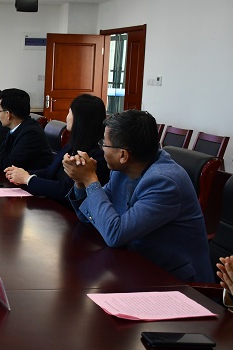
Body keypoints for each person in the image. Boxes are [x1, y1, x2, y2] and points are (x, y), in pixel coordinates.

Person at [64, 109, 213, 283]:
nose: (101, 148)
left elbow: (115, 234)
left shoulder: (164, 183)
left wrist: (90, 179)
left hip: (176, 282)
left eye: (104, 143)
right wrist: (80, 182)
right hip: (135, 265)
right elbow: (89, 216)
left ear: (123, 155)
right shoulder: (121, 171)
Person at [6, 94, 109, 203]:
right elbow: (50, 171)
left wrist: (28, 179)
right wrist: (23, 173)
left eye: (69, 112)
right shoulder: (72, 144)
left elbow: (65, 190)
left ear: (79, 118)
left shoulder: (96, 156)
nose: (67, 117)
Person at [0, 88, 53, 170]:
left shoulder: (31, 133)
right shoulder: (15, 129)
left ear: (8, 114)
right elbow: (0, 155)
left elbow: (10, 165)